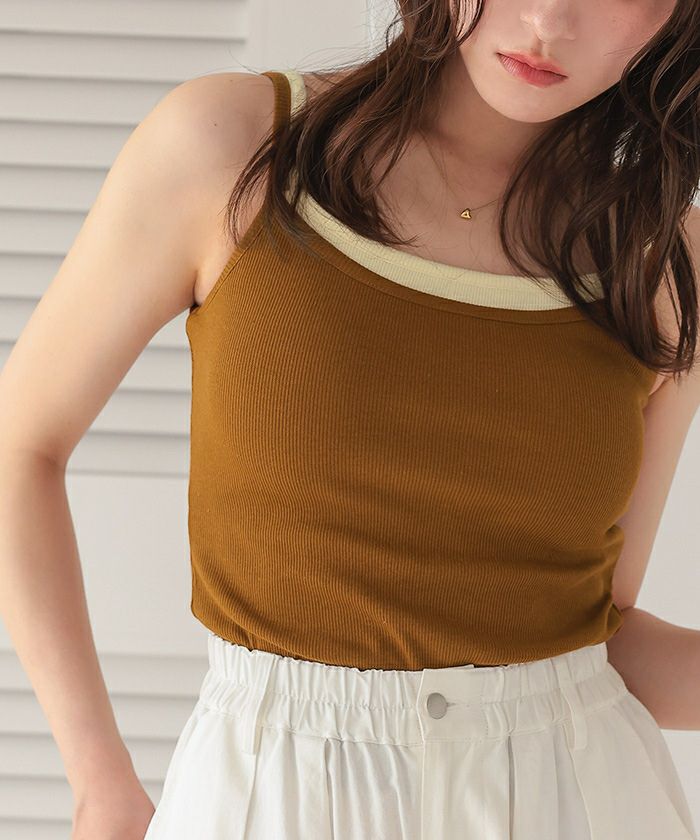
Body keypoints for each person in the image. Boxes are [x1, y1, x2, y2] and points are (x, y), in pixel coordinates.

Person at [0, 1, 699, 839]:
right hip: (277, 797)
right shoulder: (235, 148)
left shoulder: (666, 260)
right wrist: (99, 782)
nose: (549, 17)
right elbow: (20, 447)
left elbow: (599, 633)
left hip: (578, 800)